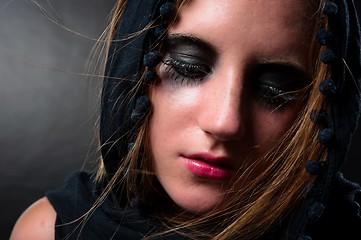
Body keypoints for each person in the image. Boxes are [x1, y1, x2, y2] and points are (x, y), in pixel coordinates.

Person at [10, 0, 361, 239]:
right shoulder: (48, 230)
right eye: (188, 67)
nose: (226, 122)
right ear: (131, 63)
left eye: (275, 89)